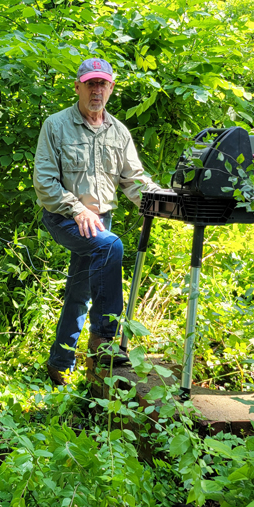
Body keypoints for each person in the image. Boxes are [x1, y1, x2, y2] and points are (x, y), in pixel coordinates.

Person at [32, 57, 160, 386]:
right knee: (110, 246)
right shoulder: (56, 125)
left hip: (101, 218)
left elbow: (135, 181)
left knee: (79, 290)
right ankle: (105, 340)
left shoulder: (119, 132)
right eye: (90, 83)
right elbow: (45, 183)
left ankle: (59, 364)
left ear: (111, 88)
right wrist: (77, 209)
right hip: (64, 217)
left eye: (102, 83)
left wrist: (165, 200)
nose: (96, 90)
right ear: (78, 87)